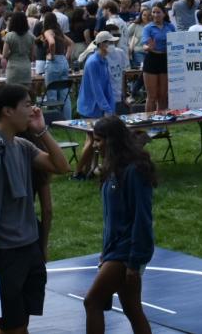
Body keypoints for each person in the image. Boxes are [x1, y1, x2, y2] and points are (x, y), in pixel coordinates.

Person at [0, 84, 71, 334]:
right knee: (14, 327)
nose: (33, 109)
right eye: (27, 104)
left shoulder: (22, 146)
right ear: (8, 111)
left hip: (28, 248)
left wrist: (42, 130)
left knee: (19, 324)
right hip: (1, 253)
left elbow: (61, 166)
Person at [83, 116, 156, 334]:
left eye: (98, 140)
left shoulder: (134, 171)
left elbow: (142, 218)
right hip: (115, 249)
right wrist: (105, 253)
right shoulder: (112, 169)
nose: (95, 145)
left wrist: (134, 261)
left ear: (112, 140)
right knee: (132, 309)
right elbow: (111, 219)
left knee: (92, 302)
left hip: (126, 251)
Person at [74, 31, 119, 180]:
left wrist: (110, 108)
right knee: (92, 140)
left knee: (96, 140)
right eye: (110, 42)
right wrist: (107, 109)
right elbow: (97, 89)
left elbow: (107, 87)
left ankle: (90, 170)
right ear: (101, 44)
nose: (112, 45)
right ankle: (77, 172)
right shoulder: (93, 62)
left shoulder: (103, 60)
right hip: (89, 107)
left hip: (98, 106)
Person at [140, 4, 174, 113]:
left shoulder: (170, 26)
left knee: (163, 95)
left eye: (158, 12)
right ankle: (149, 123)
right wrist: (148, 47)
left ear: (164, 14)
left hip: (165, 59)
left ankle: (161, 124)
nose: (155, 14)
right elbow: (144, 45)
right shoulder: (148, 28)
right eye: (153, 12)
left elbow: (177, 41)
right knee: (152, 96)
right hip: (152, 59)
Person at [41, 13, 74, 119]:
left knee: (52, 94)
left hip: (54, 63)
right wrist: (66, 57)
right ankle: (67, 120)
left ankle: (54, 121)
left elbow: (51, 43)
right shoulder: (59, 32)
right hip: (63, 61)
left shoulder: (48, 32)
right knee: (65, 94)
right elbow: (71, 43)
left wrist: (52, 55)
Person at [3, 12, 35, 88]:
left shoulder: (9, 35)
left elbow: (4, 55)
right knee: (24, 95)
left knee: (12, 94)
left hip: (13, 68)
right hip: (26, 68)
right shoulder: (30, 36)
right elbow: (33, 55)